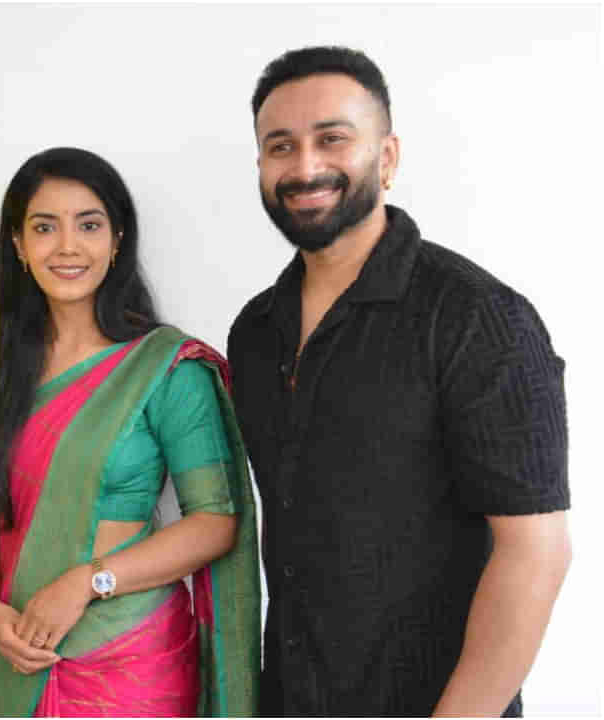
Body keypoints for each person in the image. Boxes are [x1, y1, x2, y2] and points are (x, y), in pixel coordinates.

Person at [229, 46, 572, 716]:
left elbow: (536, 554)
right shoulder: (255, 330)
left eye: (332, 138)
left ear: (386, 158)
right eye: (280, 146)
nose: (305, 166)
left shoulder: (478, 318)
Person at [0, 147, 260, 718]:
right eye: (44, 227)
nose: (67, 246)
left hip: (132, 660)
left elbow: (215, 523)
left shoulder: (167, 368)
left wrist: (85, 582)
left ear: (118, 239)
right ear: (18, 244)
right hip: (18, 653)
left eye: (89, 225)